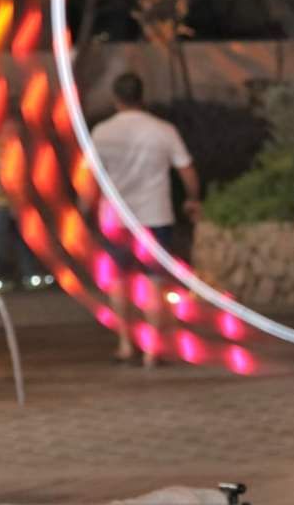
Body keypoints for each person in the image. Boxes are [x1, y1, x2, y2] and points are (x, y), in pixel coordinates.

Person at [92, 72, 202, 367]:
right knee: (154, 283)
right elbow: (187, 169)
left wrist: (84, 206)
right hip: (155, 216)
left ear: (115, 98)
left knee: (118, 283)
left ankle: (126, 345)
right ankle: (153, 351)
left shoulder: (102, 132)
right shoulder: (163, 130)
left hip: (114, 218)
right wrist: (192, 198)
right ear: (142, 96)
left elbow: (89, 176)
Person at [0, 120, 43, 291]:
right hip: (4, 206)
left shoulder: (2, 149)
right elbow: (7, 181)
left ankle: (28, 275)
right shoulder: (3, 152)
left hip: (6, 205)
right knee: (1, 243)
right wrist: (15, 206)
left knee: (21, 241)